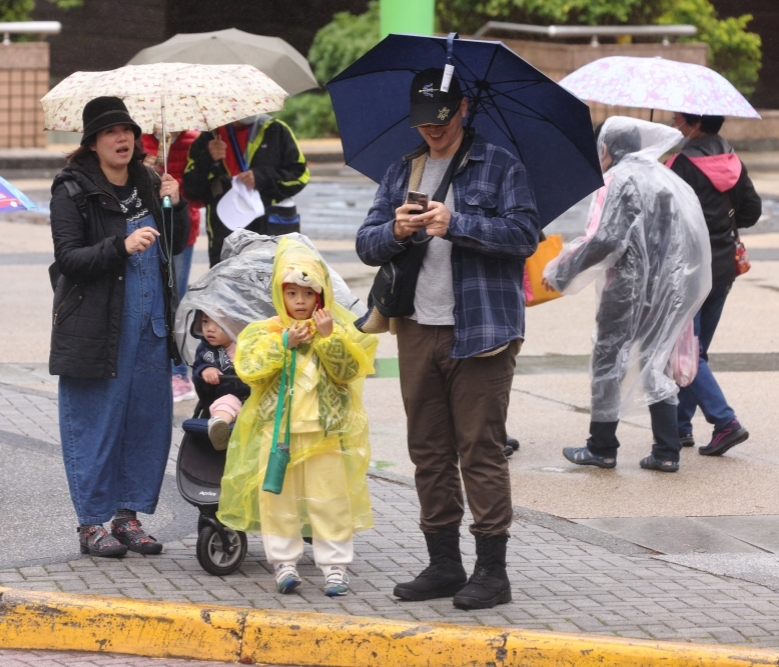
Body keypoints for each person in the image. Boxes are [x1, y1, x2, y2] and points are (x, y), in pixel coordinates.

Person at [356, 68, 541, 610]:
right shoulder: (402, 169)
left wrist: (455, 223)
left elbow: (526, 236)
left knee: (479, 450)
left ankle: (492, 572)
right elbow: (367, 244)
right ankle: (443, 564)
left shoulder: (501, 165)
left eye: (441, 119)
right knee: (428, 451)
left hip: (481, 329)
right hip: (415, 326)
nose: (432, 131)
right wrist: (397, 230)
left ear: (462, 110)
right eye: (422, 121)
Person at [49, 96, 189, 558]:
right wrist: (121, 245)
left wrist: (176, 204)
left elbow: (177, 243)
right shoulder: (71, 188)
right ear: (92, 141)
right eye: (111, 132)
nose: (122, 138)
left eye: (127, 130)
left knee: (147, 423)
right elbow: (69, 258)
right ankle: (91, 524)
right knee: (96, 423)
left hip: (150, 326)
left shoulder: (149, 180)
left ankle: (127, 518)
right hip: (98, 327)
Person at [544, 116, 711, 473]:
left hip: (627, 286)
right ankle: (667, 451)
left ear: (606, 148)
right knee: (656, 361)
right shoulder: (665, 178)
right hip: (667, 287)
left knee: (608, 360)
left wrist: (561, 271)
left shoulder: (618, 179)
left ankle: (601, 446)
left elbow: (606, 240)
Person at [218, 238, 377, 597]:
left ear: (321, 295)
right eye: (292, 294)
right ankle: (284, 564)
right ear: (280, 294)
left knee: (330, 499)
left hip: (324, 433)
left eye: (308, 293)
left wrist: (327, 340)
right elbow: (251, 371)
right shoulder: (266, 332)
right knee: (278, 500)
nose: (300, 302)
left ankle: (335, 568)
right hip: (278, 435)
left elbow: (349, 371)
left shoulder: (336, 330)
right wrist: (282, 346)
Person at [667, 112, 761, 456]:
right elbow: (751, 211)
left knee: (684, 353)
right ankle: (680, 426)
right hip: (723, 270)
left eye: (678, 118)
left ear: (694, 123)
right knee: (696, 351)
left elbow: (665, 217)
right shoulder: (732, 159)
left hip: (689, 269)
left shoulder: (680, 164)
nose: (674, 122)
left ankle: (726, 422)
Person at [183, 115, 310, 266]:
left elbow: (300, 175)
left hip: (270, 226)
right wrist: (207, 159)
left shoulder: (276, 130)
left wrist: (261, 177)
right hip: (226, 230)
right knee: (227, 285)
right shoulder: (209, 137)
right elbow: (191, 190)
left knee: (273, 283)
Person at [141, 130, 203, 403]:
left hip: (179, 229)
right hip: (144, 229)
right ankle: (153, 369)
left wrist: (208, 162)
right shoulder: (138, 141)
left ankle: (179, 373)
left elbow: (199, 195)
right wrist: (144, 169)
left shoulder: (196, 141)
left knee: (175, 296)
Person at [191, 311, 250, 450]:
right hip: (226, 397)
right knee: (226, 402)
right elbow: (197, 368)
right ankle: (218, 427)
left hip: (254, 398)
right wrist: (205, 369)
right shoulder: (206, 350)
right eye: (205, 322)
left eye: (218, 323)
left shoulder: (249, 345)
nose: (210, 328)